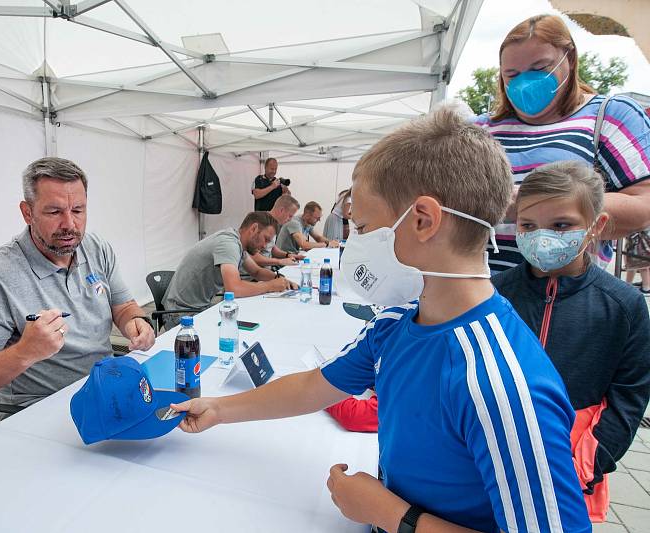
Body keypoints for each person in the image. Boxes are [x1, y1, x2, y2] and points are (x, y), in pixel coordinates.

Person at [171, 109, 591, 532]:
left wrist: (393, 516)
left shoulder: (500, 382)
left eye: (365, 226)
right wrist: (220, 409)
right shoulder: (399, 319)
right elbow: (314, 386)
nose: (353, 242)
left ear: (423, 221)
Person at [492, 161, 650, 521]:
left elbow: (629, 398)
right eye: (528, 226)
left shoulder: (624, 306)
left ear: (597, 226)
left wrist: (581, 468)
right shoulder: (494, 294)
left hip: (573, 477)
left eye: (561, 225)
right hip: (491, 464)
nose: (542, 236)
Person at [0, 157, 155, 407]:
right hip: (41, 407)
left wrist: (135, 322)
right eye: (54, 212)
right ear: (28, 213)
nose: (69, 224)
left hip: (104, 391)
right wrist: (25, 352)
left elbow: (123, 307)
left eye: (78, 210)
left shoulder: (97, 248)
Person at [475, 14, 650, 274]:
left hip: (568, 295)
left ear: (568, 59)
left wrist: (537, 204)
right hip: (485, 291)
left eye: (540, 69)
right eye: (511, 74)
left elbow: (643, 205)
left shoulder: (611, 116)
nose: (524, 82)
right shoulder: (479, 129)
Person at [162, 211, 297, 325]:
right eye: (266, 239)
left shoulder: (237, 243)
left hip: (197, 309)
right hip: (180, 314)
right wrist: (270, 286)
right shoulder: (228, 244)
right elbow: (234, 288)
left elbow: (256, 271)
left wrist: (280, 279)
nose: (265, 246)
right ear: (254, 228)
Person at [241, 195, 305, 280]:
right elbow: (252, 256)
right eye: (290, 216)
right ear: (281, 210)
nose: (290, 220)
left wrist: (288, 255)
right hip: (250, 276)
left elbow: (272, 248)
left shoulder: (274, 225)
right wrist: (279, 261)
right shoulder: (262, 222)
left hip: (263, 272)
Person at [624, 227, 650, 294]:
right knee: (633, 263)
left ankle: (646, 287)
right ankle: (628, 284)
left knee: (643, 264)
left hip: (640, 236)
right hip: (638, 235)